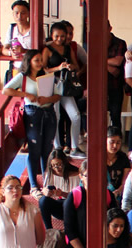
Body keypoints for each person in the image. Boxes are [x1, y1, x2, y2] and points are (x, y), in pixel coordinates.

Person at [3, 50, 62, 191]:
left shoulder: (46, 77)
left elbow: (57, 95)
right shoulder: (22, 77)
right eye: (36, 60)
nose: (40, 63)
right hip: (32, 113)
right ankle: (34, 185)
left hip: (48, 112)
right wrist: (25, 94)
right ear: (29, 61)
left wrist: (47, 99)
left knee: (47, 149)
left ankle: (46, 181)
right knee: (35, 148)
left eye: (41, 60)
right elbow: (6, 90)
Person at [41, 22, 83, 157]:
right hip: (51, 84)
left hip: (65, 85)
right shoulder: (47, 49)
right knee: (56, 116)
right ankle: (57, 147)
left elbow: (76, 65)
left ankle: (74, 147)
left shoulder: (68, 48)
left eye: (62, 36)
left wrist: (70, 67)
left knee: (75, 115)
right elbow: (43, 69)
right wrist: (58, 68)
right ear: (51, 35)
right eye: (56, 36)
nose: (59, 39)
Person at [35, 149, 81, 229]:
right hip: (59, 206)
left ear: (65, 162)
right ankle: (49, 229)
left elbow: (79, 197)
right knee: (43, 200)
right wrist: (46, 192)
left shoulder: (76, 174)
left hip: (73, 207)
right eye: (53, 165)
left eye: (59, 165)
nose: (56, 168)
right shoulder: (50, 173)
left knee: (68, 203)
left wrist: (63, 194)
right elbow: (46, 191)